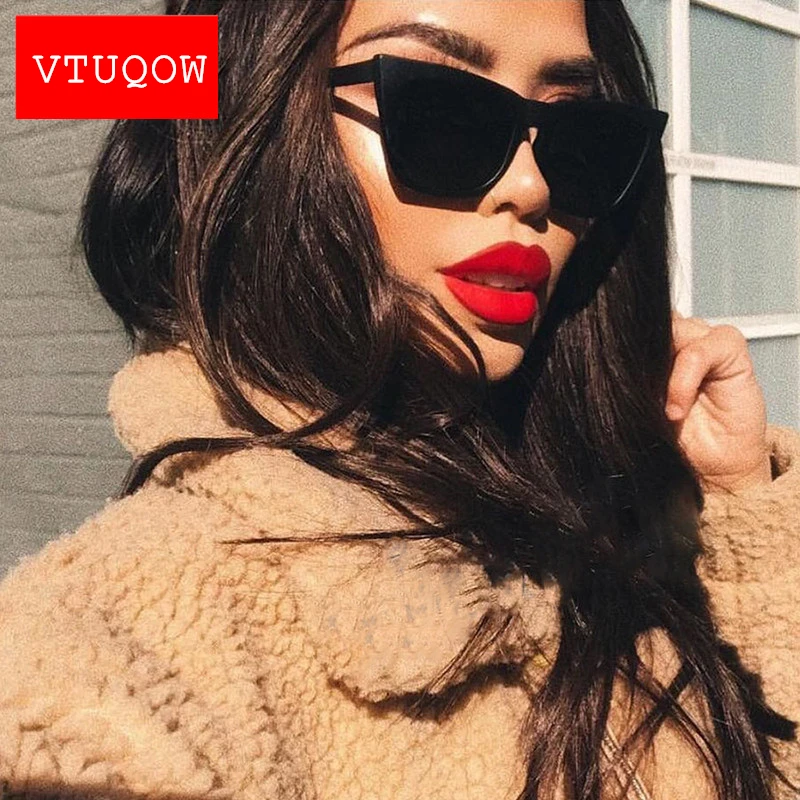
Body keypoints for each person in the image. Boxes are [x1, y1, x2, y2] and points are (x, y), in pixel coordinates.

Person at [0, 1, 798, 798]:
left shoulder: (623, 509)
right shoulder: (108, 661)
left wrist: (737, 506)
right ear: (254, 128)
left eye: (576, 133)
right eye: (441, 108)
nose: (531, 187)